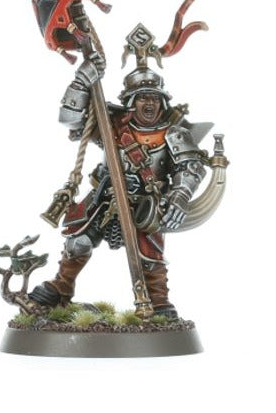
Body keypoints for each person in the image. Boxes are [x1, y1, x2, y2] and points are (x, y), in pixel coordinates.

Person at [28, 49, 210, 319]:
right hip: (105, 196)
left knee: (150, 255)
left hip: (146, 204)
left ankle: (158, 300)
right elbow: (69, 119)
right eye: (143, 98)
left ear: (162, 102)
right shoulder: (110, 124)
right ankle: (62, 286)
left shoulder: (174, 134)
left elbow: (191, 167)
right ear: (131, 102)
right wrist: (82, 79)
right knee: (78, 241)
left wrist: (180, 195)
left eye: (154, 98)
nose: (149, 104)